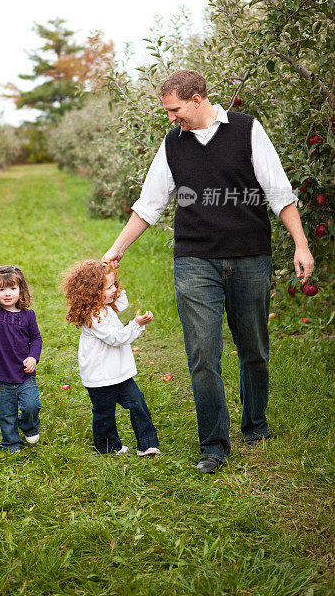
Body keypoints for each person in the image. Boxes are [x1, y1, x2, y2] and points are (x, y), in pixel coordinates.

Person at [102, 70, 314, 473]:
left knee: (253, 347)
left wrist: (301, 244)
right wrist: (115, 250)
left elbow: (279, 193)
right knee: (202, 353)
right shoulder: (172, 145)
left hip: (250, 257)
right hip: (195, 260)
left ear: (197, 100)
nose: (171, 118)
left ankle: (255, 425)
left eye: (175, 110)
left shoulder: (247, 130)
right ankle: (214, 445)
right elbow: (149, 205)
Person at [62, 259, 159, 456]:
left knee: (137, 403)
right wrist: (136, 324)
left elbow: (122, 302)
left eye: (114, 285)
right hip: (100, 377)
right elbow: (116, 338)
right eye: (108, 287)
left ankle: (147, 443)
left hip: (119, 373)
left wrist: (111, 273)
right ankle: (107, 446)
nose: (114, 290)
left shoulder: (104, 307)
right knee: (104, 413)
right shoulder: (94, 317)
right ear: (93, 292)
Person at [0, 265, 42, 453]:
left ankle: (28, 426)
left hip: (24, 373)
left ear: (21, 290)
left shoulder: (28, 316)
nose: (8, 294)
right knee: (6, 413)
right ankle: (12, 443)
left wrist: (33, 357)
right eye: (1, 289)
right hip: (0, 374)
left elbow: (36, 338)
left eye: (12, 288)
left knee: (31, 405)